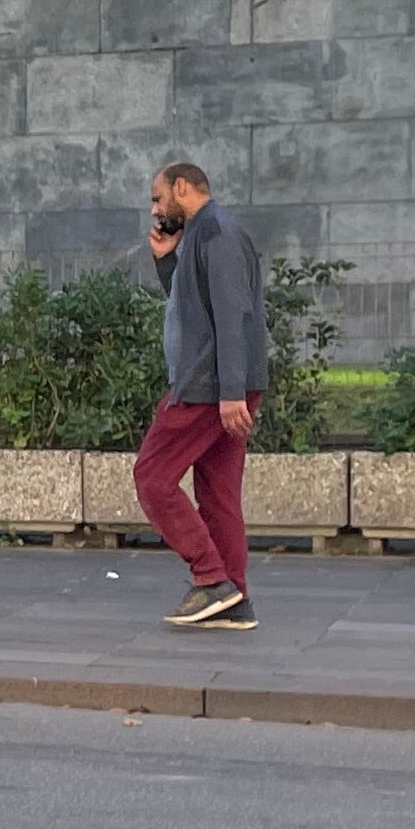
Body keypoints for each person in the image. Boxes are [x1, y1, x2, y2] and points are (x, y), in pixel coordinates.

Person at [135, 156, 267, 629]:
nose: (154, 210)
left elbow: (234, 318)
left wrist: (230, 393)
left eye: (158, 197)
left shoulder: (217, 234)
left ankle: (211, 579)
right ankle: (235, 600)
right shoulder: (201, 235)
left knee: (151, 477)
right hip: (220, 385)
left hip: (211, 388)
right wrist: (168, 259)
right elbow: (191, 307)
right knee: (218, 496)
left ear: (184, 188)